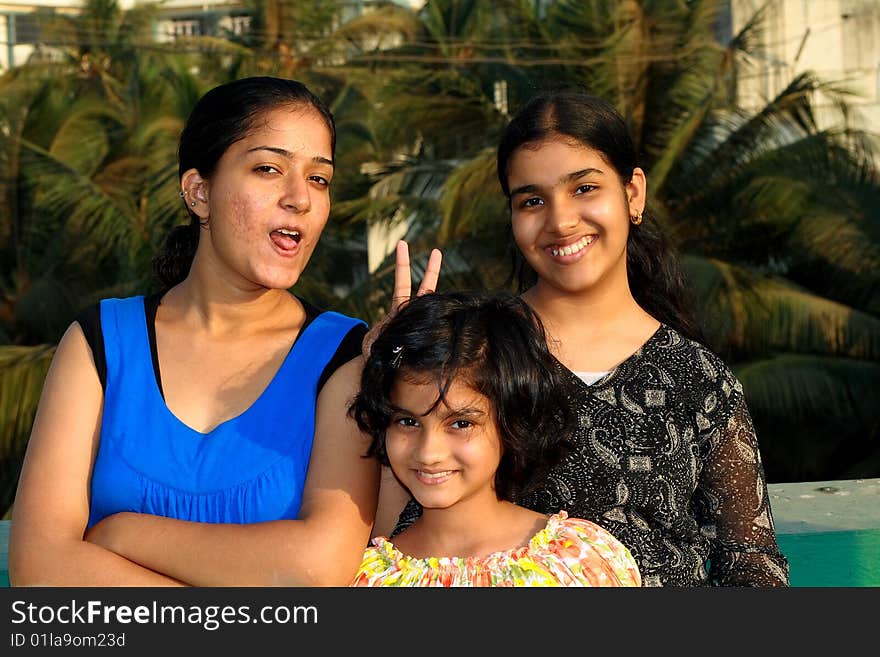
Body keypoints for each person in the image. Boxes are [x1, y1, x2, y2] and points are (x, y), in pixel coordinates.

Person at [387, 91, 790, 587]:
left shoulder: (697, 378)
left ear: (633, 193)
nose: (560, 221)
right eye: (532, 200)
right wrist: (385, 361)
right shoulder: (477, 352)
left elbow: (751, 563)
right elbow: (401, 528)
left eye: (584, 188)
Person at [8, 76, 386, 586]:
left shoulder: (345, 355)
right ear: (199, 192)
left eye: (319, 179)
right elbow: (41, 568)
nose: (300, 198)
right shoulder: (100, 342)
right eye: (268, 169)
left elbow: (317, 567)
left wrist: (121, 533)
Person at [349, 291, 641, 587]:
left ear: (510, 421)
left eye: (461, 423)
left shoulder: (578, 562)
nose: (429, 452)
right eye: (408, 422)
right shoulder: (365, 578)